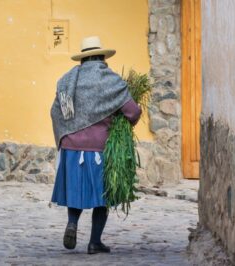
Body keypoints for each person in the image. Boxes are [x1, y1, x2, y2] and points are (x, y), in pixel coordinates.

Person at [50, 36, 142, 254]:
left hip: (72, 149)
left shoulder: (67, 80)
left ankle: (72, 223)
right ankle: (94, 242)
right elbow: (132, 111)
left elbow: (55, 111)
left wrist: (65, 135)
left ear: (83, 59)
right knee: (103, 196)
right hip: (100, 150)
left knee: (76, 191)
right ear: (102, 57)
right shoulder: (111, 81)